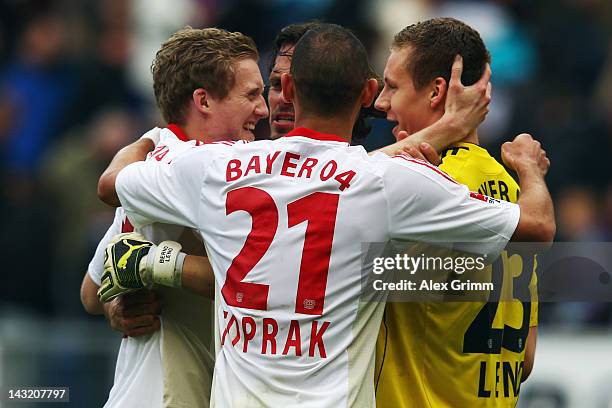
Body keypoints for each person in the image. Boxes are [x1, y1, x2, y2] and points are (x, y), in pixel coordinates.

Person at [97, 24, 554, 407]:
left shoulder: (215, 170)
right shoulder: (400, 183)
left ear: (295, 90)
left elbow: (111, 185)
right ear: (366, 91)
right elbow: (528, 342)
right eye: (260, 89)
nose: (266, 104)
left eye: (275, 87)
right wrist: (529, 170)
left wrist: (157, 259)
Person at [80, 27, 268, 408]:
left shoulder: (154, 160)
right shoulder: (210, 165)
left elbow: (90, 293)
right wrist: (161, 266)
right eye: (251, 94)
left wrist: (126, 293)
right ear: (204, 101)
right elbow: (262, 280)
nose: (262, 108)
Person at [373, 18, 541, 407]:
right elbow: (526, 359)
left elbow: (335, 193)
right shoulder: (519, 194)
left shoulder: (421, 185)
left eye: (392, 87)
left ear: (436, 92)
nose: (381, 102)